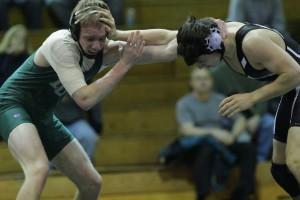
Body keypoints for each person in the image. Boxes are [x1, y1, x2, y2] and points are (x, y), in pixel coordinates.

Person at [0, 0, 179, 199]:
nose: (96, 45)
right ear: (75, 33)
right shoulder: (61, 43)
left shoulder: (108, 50)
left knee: (92, 183)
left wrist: (207, 33)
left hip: (42, 115)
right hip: (11, 104)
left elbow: (167, 49)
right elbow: (85, 99)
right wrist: (124, 64)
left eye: (101, 38)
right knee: (38, 169)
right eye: (89, 38)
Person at [176, 17, 300, 199]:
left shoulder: (251, 42)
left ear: (212, 46)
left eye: (201, 61)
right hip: (292, 91)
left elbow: (296, 73)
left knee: (295, 162)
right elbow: (165, 37)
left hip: (296, 82)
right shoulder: (211, 40)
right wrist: (120, 35)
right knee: (280, 171)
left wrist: (252, 97)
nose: (201, 67)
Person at [176, 67, 256, 200]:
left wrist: (233, 136)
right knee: (206, 150)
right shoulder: (184, 103)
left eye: (205, 78)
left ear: (211, 81)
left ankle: (243, 193)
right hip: (199, 144)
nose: (202, 82)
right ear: (191, 83)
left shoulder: (221, 99)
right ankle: (203, 194)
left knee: (248, 149)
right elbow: (187, 129)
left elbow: (241, 119)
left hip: (223, 142)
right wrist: (214, 133)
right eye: (198, 79)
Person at [54, 94, 102, 160]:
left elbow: (90, 98)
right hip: (51, 121)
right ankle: (51, 167)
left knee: (89, 136)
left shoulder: (78, 83)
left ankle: (84, 164)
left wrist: (97, 126)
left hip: (75, 121)